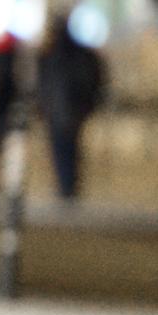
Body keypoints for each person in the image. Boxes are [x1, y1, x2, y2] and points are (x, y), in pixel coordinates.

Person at [37, 13, 106, 200]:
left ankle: (66, 187)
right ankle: (68, 186)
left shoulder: (54, 55)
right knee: (70, 149)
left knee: (62, 149)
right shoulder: (80, 53)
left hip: (61, 111)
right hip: (72, 111)